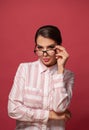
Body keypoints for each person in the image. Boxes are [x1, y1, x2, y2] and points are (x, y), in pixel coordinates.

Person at [8, 25, 75, 130]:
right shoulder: (25, 69)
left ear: (59, 48)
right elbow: (13, 109)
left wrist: (60, 70)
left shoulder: (68, 76)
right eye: (40, 48)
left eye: (50, 47)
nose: (45, 54)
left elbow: (60, 108)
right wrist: (50, 115)